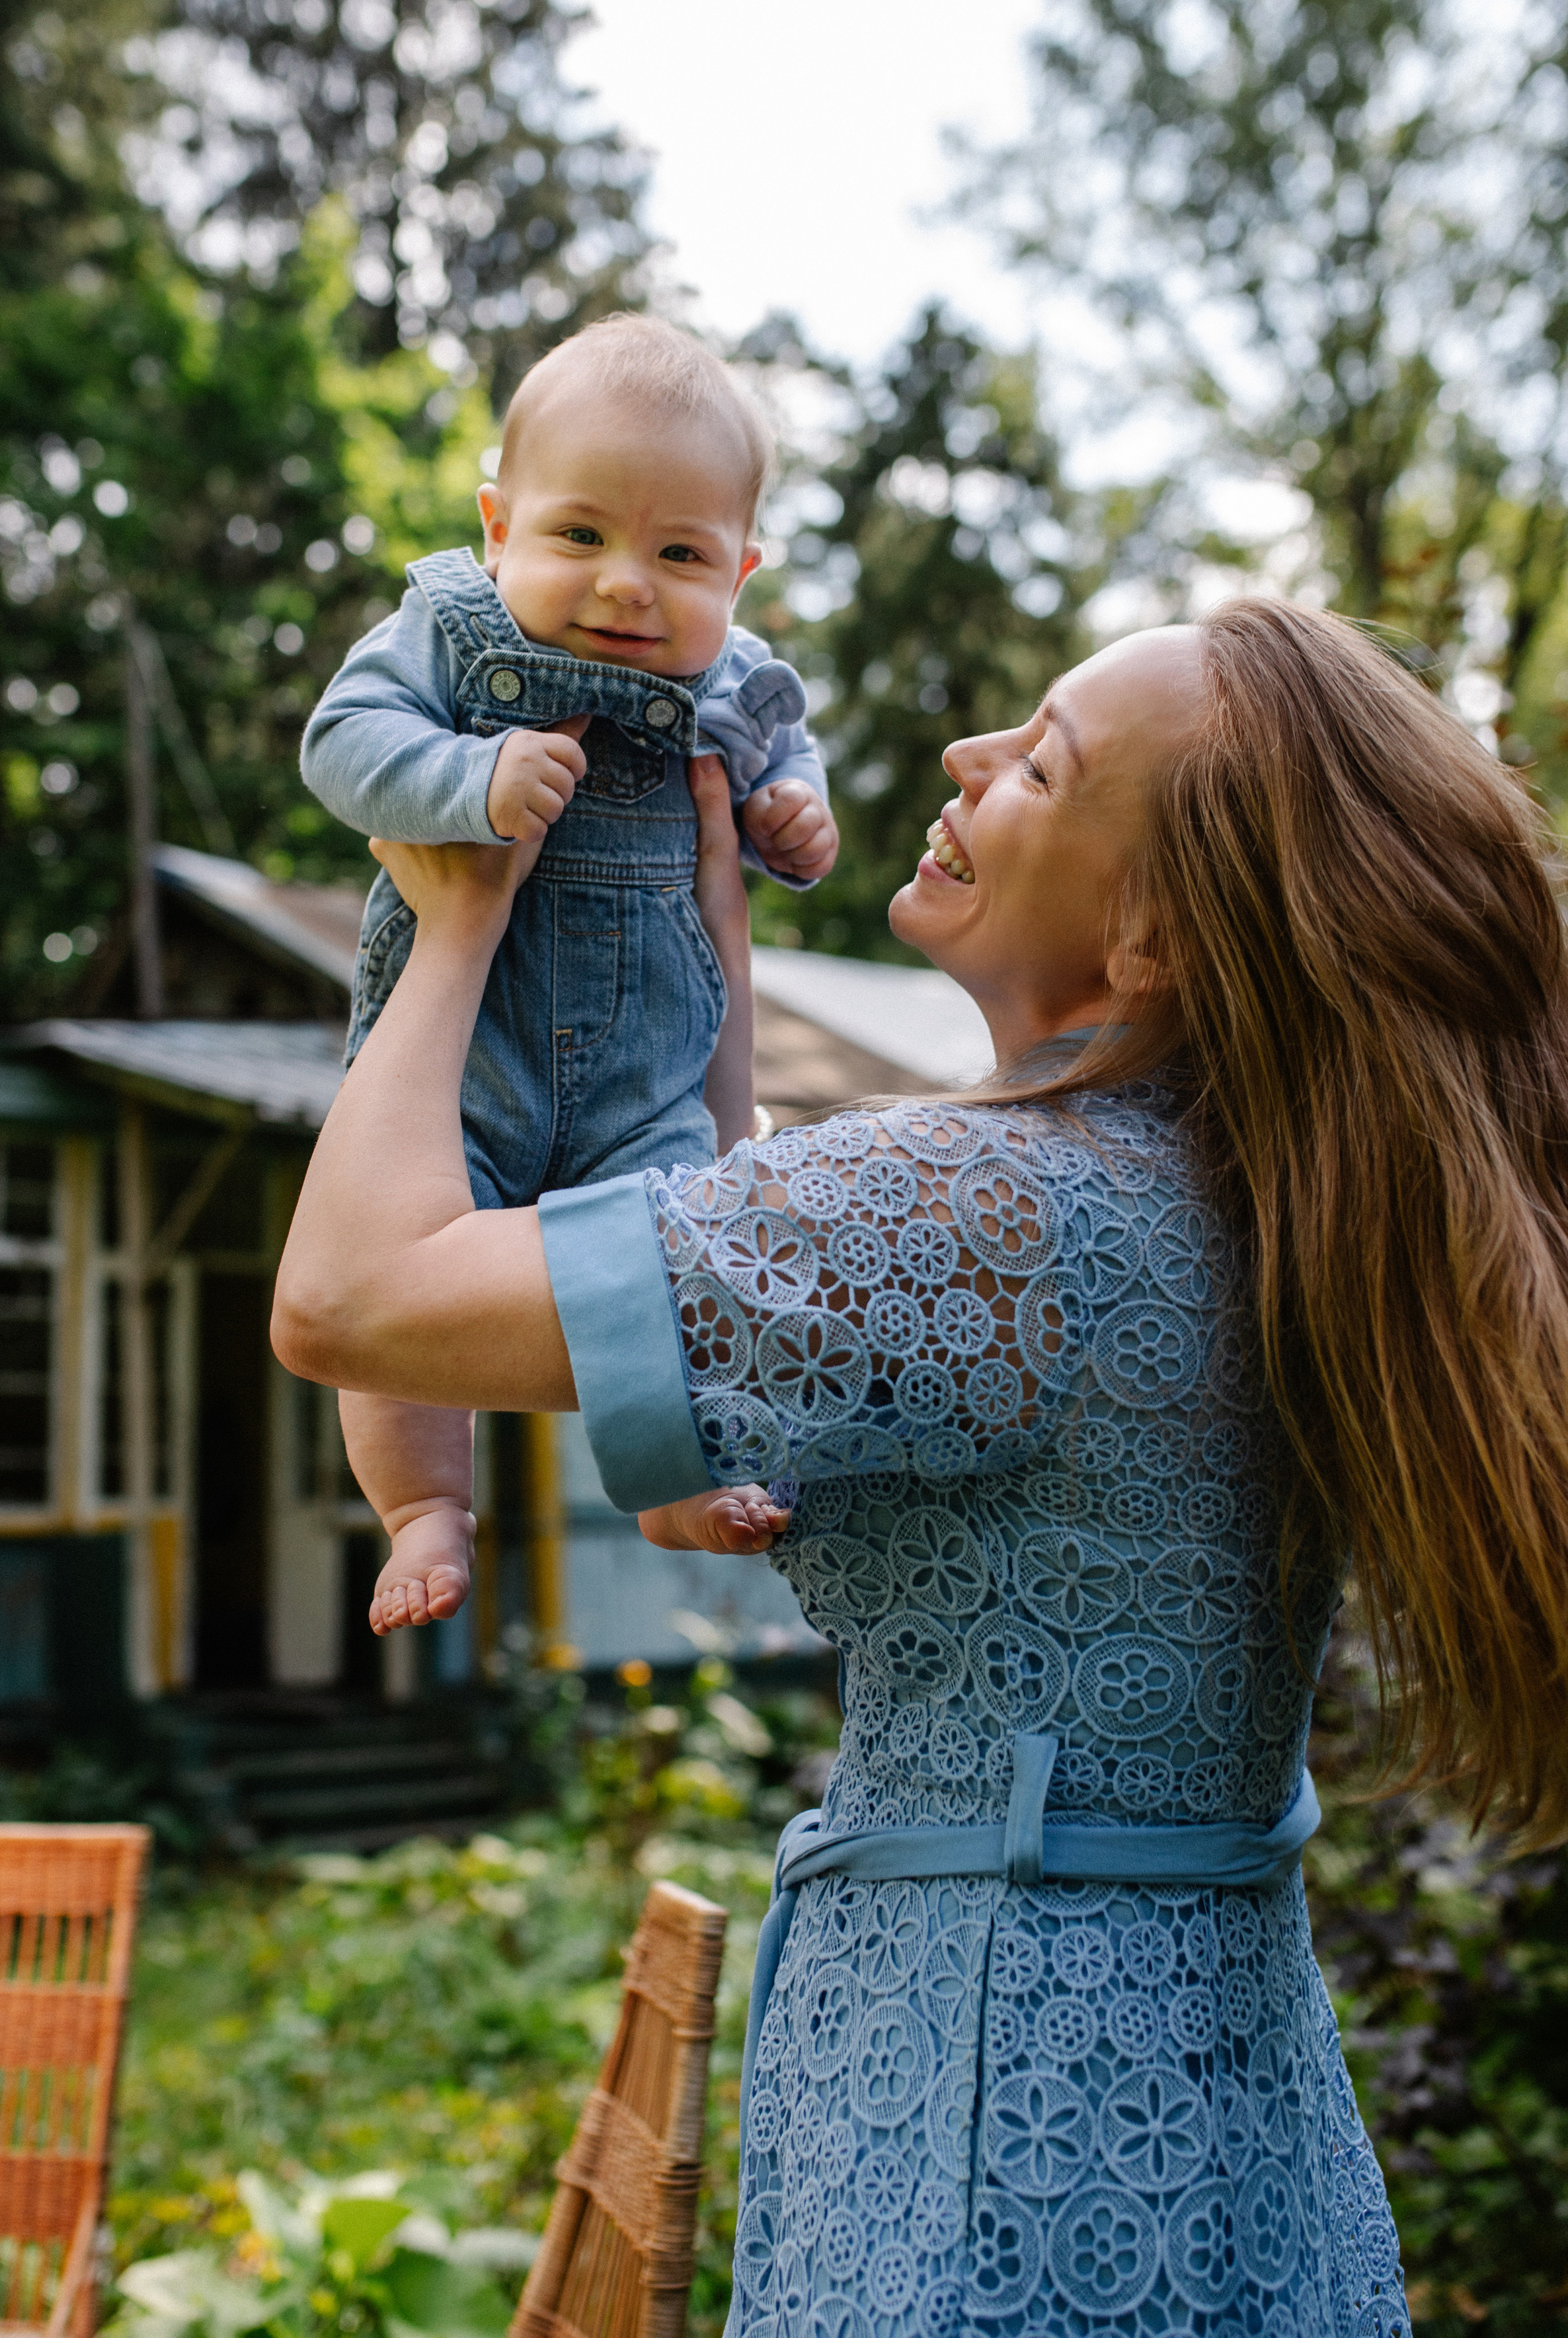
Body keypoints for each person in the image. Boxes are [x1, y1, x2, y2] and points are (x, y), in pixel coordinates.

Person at [272, 599, 1568, 2333]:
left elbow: (353, 1296)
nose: (968, 760)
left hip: (985, 2137)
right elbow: (771, 1334)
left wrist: (452, 922)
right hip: (1214, 2107)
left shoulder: (987, 1214)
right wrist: (710, 969)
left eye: (1041, 761)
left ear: (1158, 927)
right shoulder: (1254, 1195)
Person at [298, 315, 839, 1636]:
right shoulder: (450, 630)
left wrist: (790, 817)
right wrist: (467, 779)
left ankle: (668, 1481)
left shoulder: (738, 679)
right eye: (579, 536)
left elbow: (782, 762)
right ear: (497, 525)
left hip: (646, 1071)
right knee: (398, 1319)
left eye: (678, 554)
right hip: (466, 1058)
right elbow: (341, 742)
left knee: (676, 1261)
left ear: (741, 572)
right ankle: (426, 1503)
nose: (625, 586)